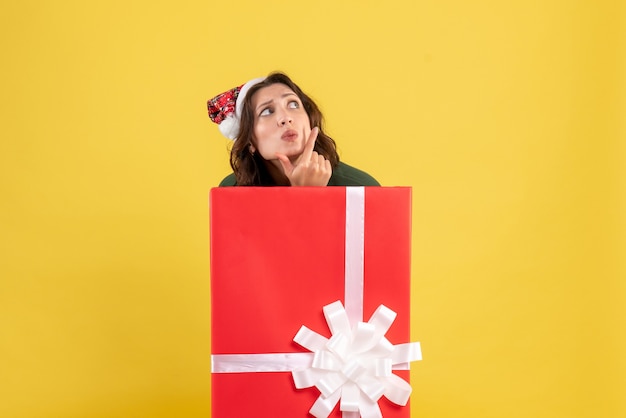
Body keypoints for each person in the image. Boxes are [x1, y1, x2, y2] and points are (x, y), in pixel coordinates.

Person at [207, 72, 380, 186]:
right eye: (267, 111)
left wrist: (311, 197)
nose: (286, 118)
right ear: (250, 140)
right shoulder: (231, 191)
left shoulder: (361, 188)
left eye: (293, 104)